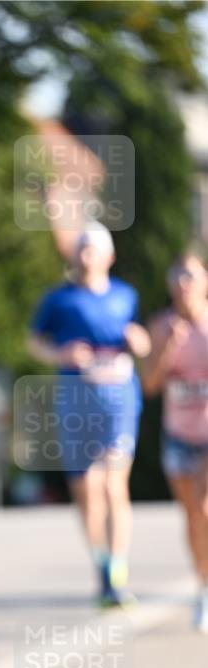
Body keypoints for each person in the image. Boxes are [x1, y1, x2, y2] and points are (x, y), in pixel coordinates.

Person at [28, 222, 150, 607]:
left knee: (114, 486)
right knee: (87, 493)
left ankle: (117, 570)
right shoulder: (58, 299)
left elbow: (144, 342)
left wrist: (139, 343)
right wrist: (60, 355)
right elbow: (35, 342)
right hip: (76, 400)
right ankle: (102, 562)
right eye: (81, 248)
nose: (86, 255)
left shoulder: (126, 296)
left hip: (119, 400)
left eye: (93, 248)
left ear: (109, 256)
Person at [141, 251, 208, 631]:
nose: (183, 282)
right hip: (179, 434)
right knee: (193, 517)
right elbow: (150, 385)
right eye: (177, 274)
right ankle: (203, 584)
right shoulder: (161, 325)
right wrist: (167, 347)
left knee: (204, 506)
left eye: (190, 275)